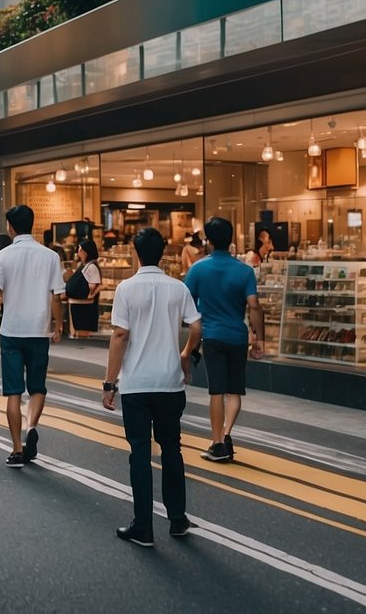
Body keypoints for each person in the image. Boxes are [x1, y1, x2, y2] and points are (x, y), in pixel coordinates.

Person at [102, 227, 203, 547]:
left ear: (136, 252)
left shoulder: (126, 289)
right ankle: (177, 519)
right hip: (170, 383)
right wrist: (186, 356)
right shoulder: (178, 288)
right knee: (172, 449)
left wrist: (109, 382)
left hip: (136, 385)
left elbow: (120, 336)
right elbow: (197, 326)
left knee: (140, 454)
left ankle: (143, 526)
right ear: (162, 253)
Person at [0, 205, 65, 468]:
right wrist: (57, 327)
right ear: (32, 225)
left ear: (11, 228)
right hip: (38, 331)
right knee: (37, 388)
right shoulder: (50, 256)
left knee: (13, 392)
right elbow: (56, 296)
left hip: (12, 331)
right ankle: (31, 426)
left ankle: (16, 450)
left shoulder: (3, 256)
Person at [184, 216, 264, 463]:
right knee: (234, 390)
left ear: (208, 241)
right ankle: (228, 434)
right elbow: (254, 306)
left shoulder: (198, 269)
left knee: (216, 391)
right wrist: (258, 338)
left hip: (212, 335)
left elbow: (185, 301)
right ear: (230, 240)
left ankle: (217, 443)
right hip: (238, 337)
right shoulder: (245, 270)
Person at [65, 239, 102, 337]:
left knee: (82, 333)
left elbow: (93, 285)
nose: (78, 252)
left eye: (80, 249)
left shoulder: (91, 267)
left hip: (85, 306)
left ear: (86, 252)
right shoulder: (84, 265)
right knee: (77, 331)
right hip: (78, 304)